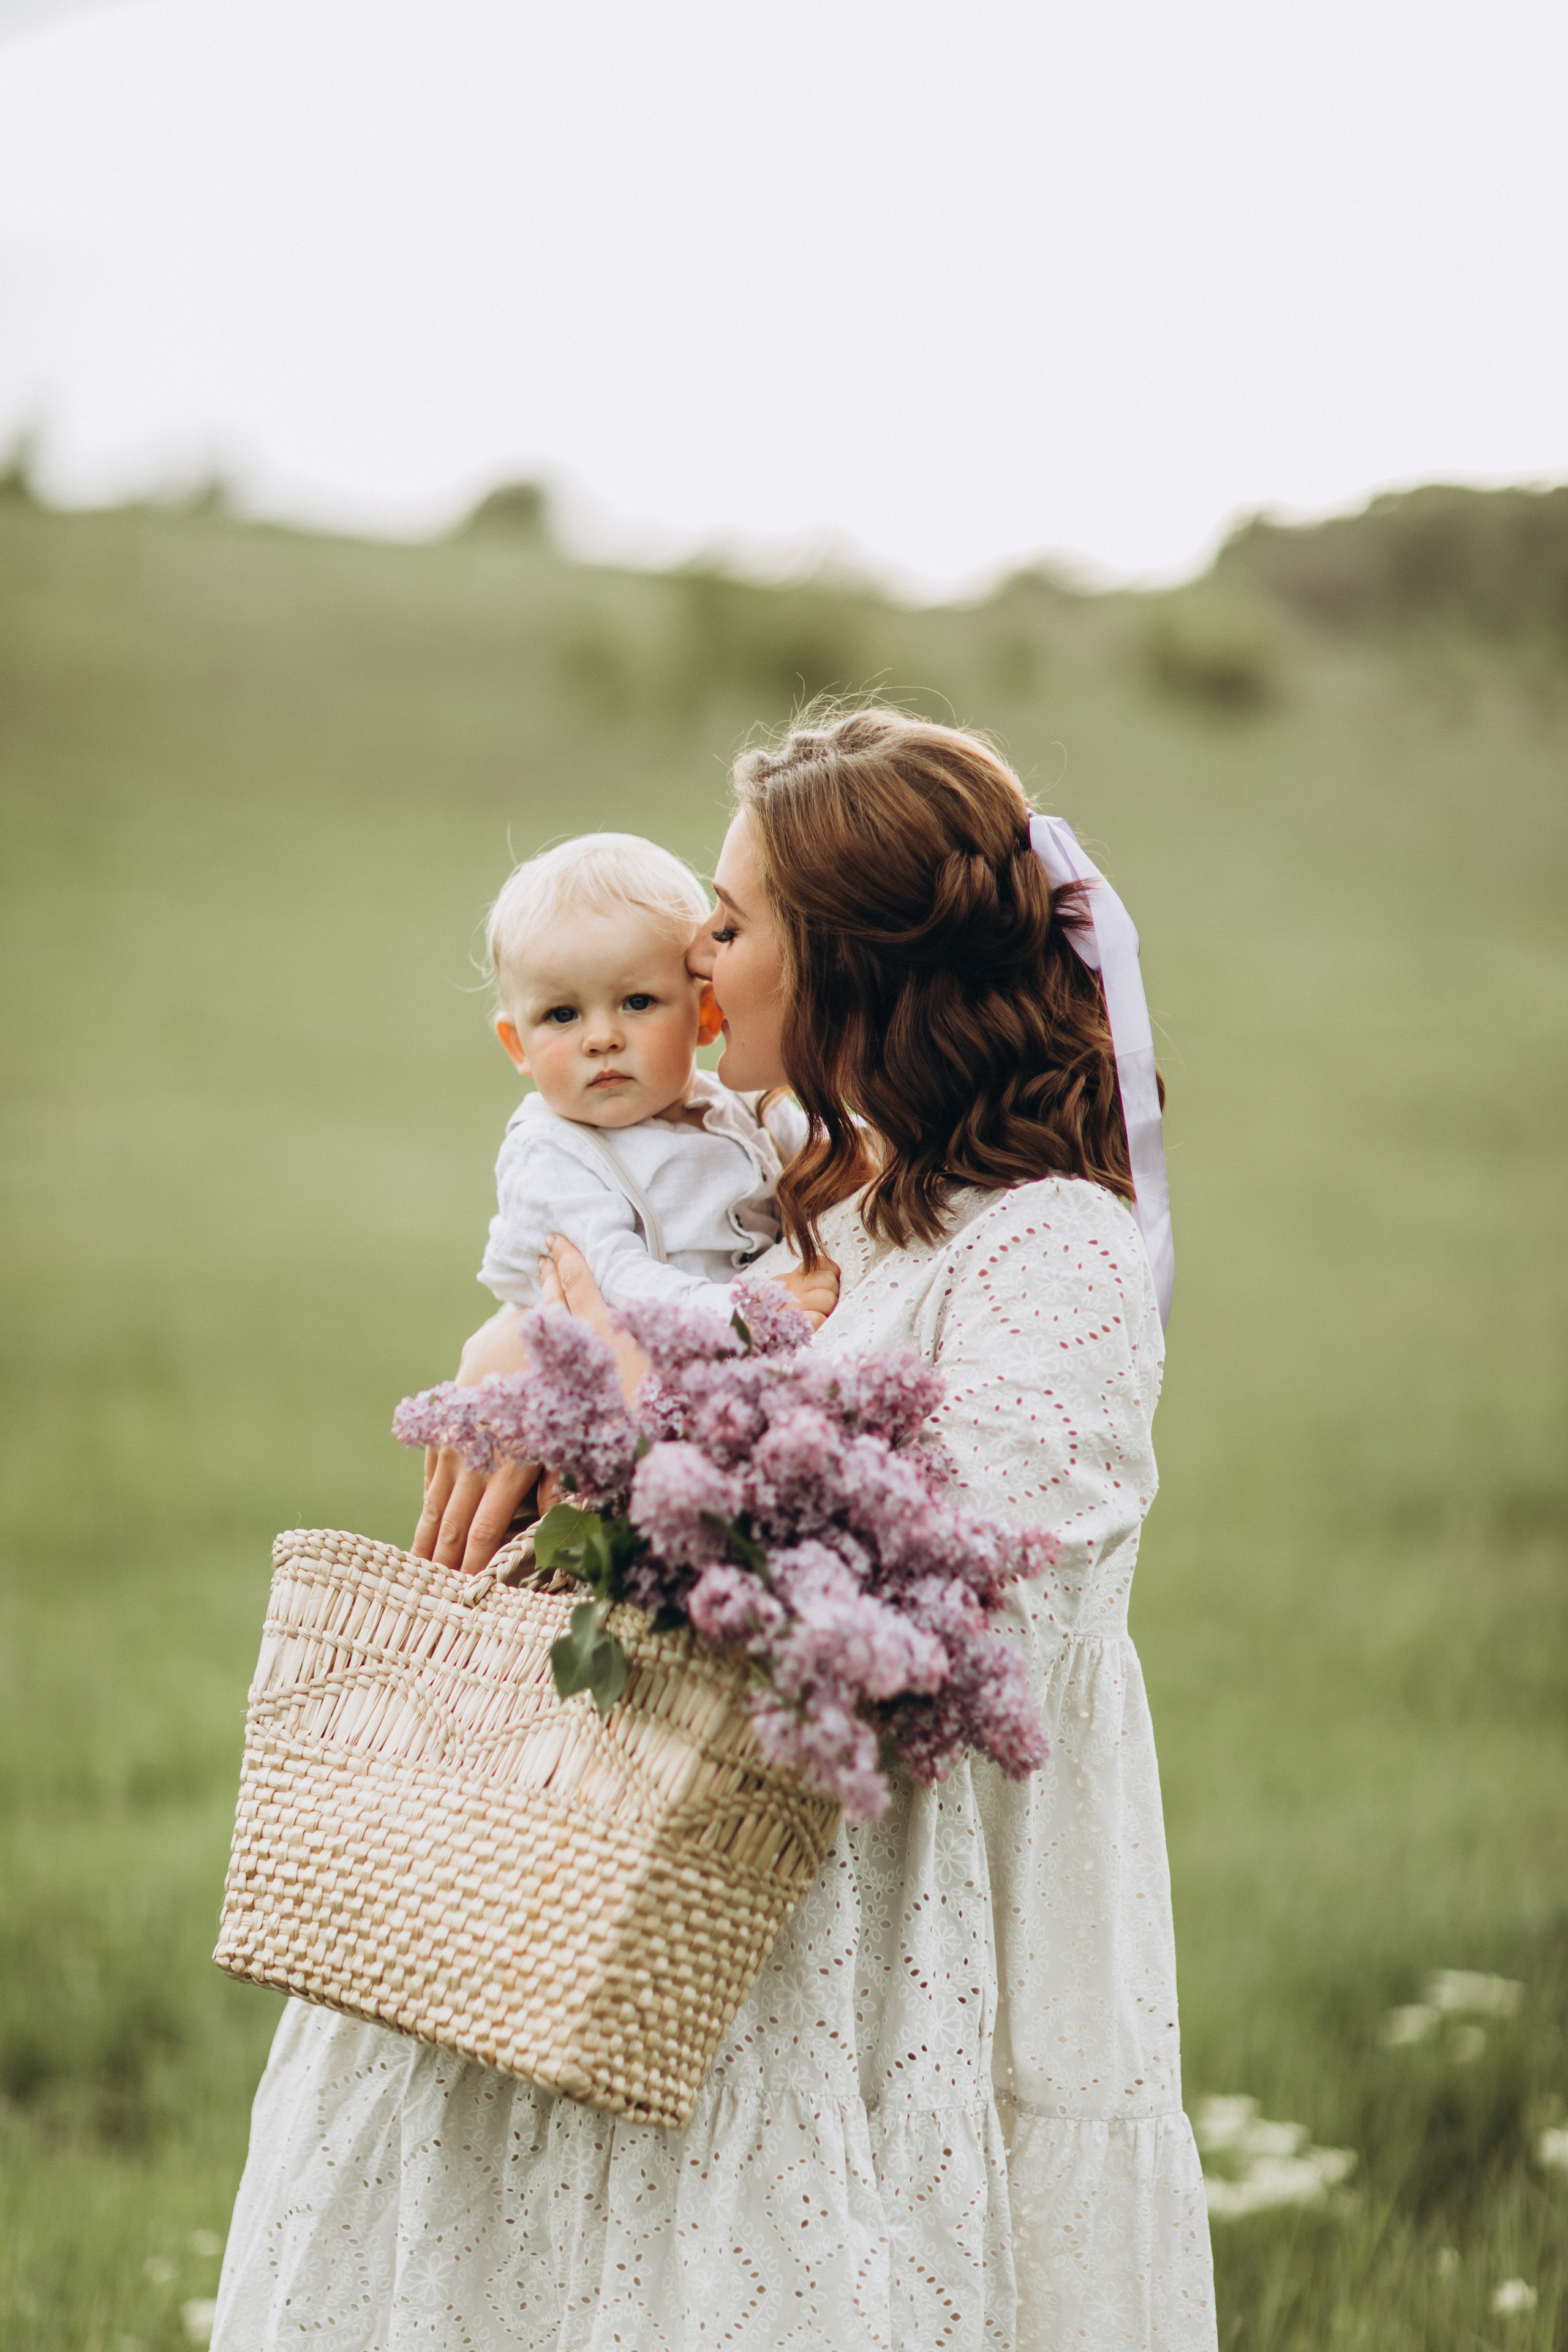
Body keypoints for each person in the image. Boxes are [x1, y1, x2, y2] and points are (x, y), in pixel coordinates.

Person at [213, 707, 1216, 2350]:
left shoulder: (1057, 1254)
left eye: (731, 925)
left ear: (855, 962)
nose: (695, 956)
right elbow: (687, 1358)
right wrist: (525, 1366)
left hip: (884, 1925)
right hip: (653, 1874)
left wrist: (638, 1403)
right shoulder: (825, 1194)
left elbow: (966, 1594)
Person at [475, 831, 823, 1324]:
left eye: (637, 1002)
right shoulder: (549, 1156)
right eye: (561, 1014)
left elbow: (841, 1157)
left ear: (705, 1014)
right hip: (620, 1377)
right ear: (518, 1045)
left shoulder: (744, 1108)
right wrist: (741, 1313)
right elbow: (612, 1280)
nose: (600, 1039)